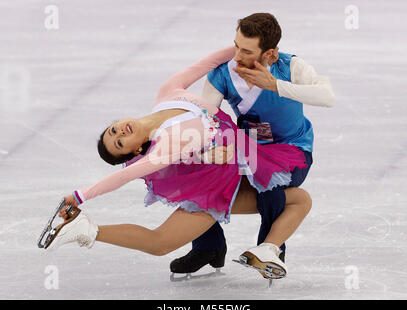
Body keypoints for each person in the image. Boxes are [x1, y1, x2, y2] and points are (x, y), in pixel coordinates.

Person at [50, 45, 312, 280]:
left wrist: (248, 51)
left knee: (299, 199)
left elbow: (207, 63)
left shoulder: (167, 94)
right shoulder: (164, 147)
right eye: (119, 144)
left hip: (242, 161)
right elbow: (124, 177)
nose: (120, 133)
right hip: (216, 189)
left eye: (113, 130)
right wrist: (80, 195)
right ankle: (87, 229)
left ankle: (262, 249)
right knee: (160, 243)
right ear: (137, 149)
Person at [170, 13, 334, 275]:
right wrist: (212, 148)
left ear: (270, 53)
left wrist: (276, 85)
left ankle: (269, 251)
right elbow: (206, 118)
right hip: (248, 148)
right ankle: (208, 246)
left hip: (293, 150)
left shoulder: (290, 67)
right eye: (236, 45)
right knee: (198, 173)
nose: (236, 56)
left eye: (246, 51)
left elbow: (327, 96)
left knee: (270, 188)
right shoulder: (223, 74)